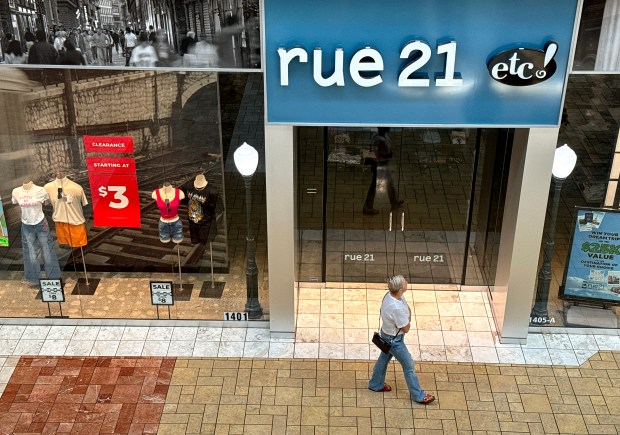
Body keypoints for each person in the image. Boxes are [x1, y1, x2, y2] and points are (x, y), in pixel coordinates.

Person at [368, 275, 435, 405]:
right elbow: (406, 328)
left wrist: (407, 315)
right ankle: (418, 395)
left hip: (387, 334)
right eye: (404, 282)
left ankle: (375, 384)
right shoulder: (396, 308)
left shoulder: (392, 295)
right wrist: (408, 318)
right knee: (409, 365)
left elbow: (406, 310)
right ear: (400, 289)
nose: (406, 282)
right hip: (394, 341)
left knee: (384, 358)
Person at [363, 127, 403, 215]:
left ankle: (394, 201)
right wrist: (389, 154)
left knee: (389, 182)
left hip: (379, 163)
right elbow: (383, 153)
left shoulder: (378, 136)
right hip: (379, 164)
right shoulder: (380, 139)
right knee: (375, 185)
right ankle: (367, 207)